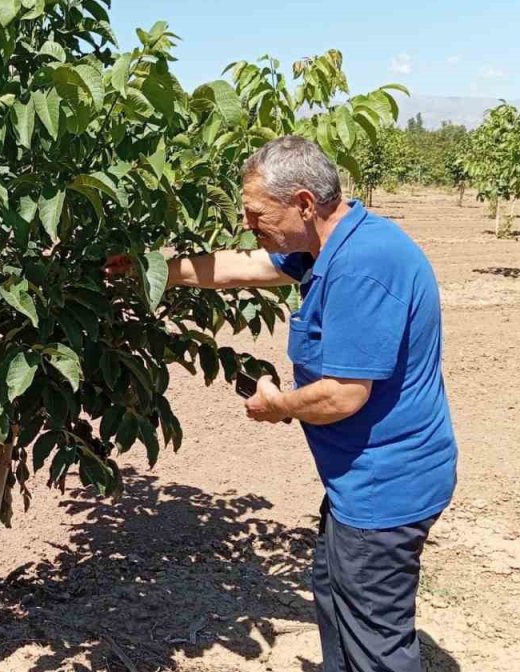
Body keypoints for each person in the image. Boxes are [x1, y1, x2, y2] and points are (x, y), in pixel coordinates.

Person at [106, 135, 457, 672]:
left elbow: (343, 394)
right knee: (336, 597)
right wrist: (150, 268)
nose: (248, 224)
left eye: (255, 213)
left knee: (376, 641)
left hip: (386, 486)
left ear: (302, 203)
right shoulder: (331, 242)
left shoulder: (363, 265)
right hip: (361, 481)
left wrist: (279, 405)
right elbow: (241, 268)